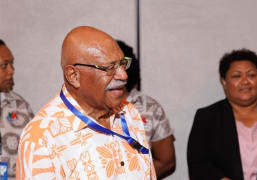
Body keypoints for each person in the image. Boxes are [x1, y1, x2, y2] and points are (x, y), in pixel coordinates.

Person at [16, 26, 156, 179]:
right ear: (73, 76)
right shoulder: (42, 138)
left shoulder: (129, 113)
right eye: (109, 67)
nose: (123, 75)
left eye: (122, 64)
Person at [187, 48, 257, 180]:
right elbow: (198, 163)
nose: (245, 81)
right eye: (237, 76)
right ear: (224, 81)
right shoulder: (207, 117)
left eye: (252, 75)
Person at [117, 40, 176, 179]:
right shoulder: (82, 106)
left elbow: (166, 161)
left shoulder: (149, 107)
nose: (115, 72)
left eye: (121, 64)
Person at [0, 39, 34, 179]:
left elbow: (35, 155)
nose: (11, 71)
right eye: (4, 65)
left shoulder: (20, 106)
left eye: (11, 63)